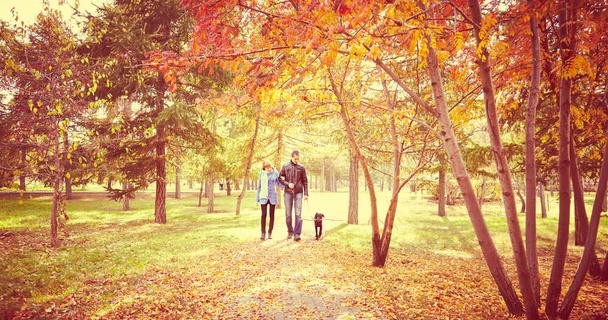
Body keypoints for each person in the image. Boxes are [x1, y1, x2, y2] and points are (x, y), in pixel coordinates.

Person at [279, 150, 309, 241]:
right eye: (295, 159)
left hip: (299, 192)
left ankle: (297, 234)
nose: (297, 160)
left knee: (298, 214)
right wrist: (287, 184)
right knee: (288, 214)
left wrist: (306, 193)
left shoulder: (302, 168)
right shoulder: (285, 166)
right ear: (292, 157)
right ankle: (290, 231)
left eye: (298, 159)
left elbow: (305, 181)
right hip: (288, 192)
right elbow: (280, 178)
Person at [256, 160, 281, 240]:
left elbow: (279, 183)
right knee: (263, 215)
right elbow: (259, 187)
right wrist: (257, 199)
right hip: (263, 196)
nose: (269, 169)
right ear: (264, 168)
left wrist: (286, 186)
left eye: (270, 167)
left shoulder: (275, 173)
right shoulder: (261, 174)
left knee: (272, 215)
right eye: (267, 168)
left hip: (272, 196)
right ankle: (263, 232)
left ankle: (270, 232)